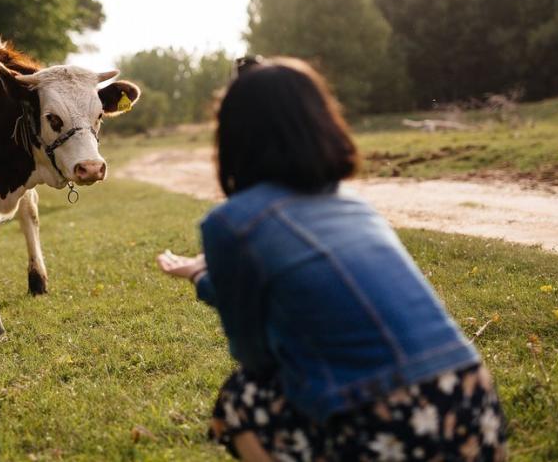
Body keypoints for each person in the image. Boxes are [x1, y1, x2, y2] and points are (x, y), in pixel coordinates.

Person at [156, 57, 506, 461]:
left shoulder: (231, 224)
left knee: (243, 396)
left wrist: (204, 277)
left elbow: (255, 357)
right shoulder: (355, 206)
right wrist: (206, 273)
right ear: (323, 121)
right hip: (473, 404)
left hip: (396, 421)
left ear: (232, 137)